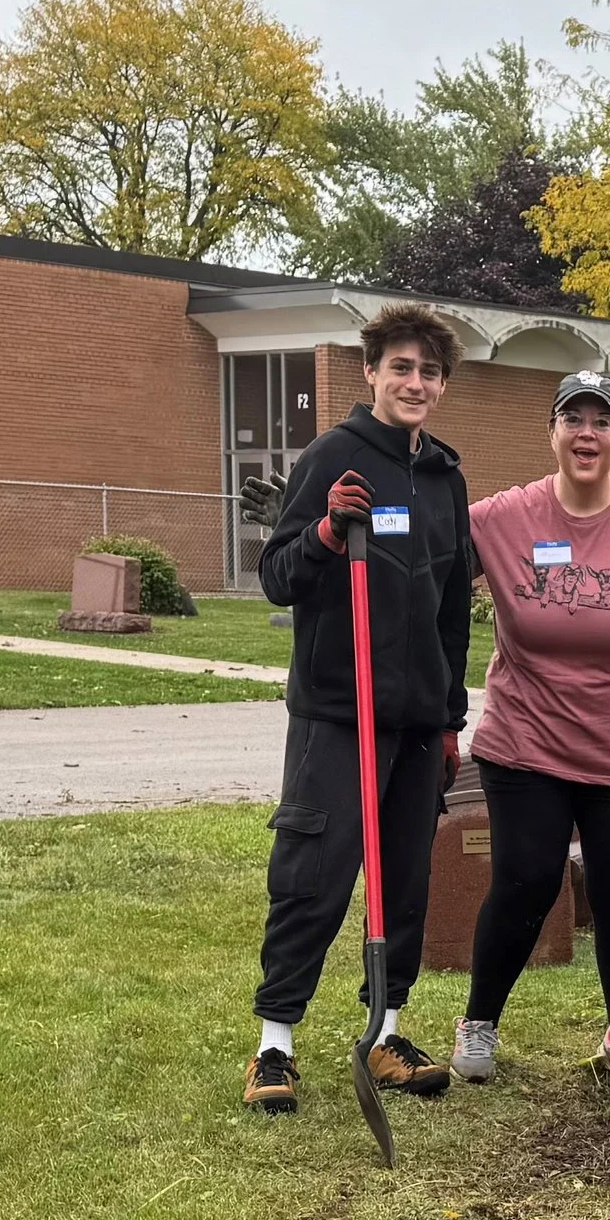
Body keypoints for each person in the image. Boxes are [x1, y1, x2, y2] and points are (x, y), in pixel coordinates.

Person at [451, 370, 610, 1103]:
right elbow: (429, 544)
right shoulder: (504, 518)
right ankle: (479, 1023)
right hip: (524, 741)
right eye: (573, 418)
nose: (586, 433)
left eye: (602, 420)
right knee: (526, 878)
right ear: (552, 431)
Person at [245, 302, 472, 1112]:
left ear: (442, 385)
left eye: (429, 371)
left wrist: (449, 717)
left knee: (405, 878)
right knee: (313, 873)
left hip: (414, 721)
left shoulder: (446, 476)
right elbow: (277, 576)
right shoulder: (332, 457)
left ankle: (386, 1031)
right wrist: (325, 539)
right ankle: (275, 1044)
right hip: (338, 714)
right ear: (372, 371)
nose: (415, 382)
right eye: (401, 367)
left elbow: (451, 610)